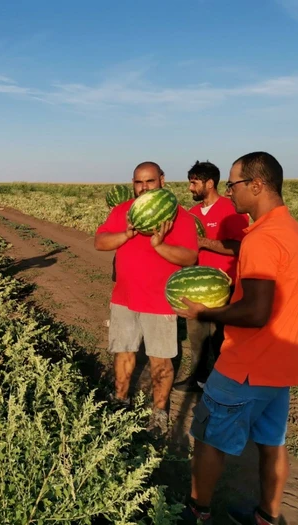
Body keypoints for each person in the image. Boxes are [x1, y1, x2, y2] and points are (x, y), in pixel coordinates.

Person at [176, 152, 298, 525]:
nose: (230, 192)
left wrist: (204, 312)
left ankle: (196, 512)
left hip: (247, 365)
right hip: (283, 363)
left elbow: (255, 312)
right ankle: (266, 517)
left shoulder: (263, 239)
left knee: (207, 439)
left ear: (256, 185)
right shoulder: (291, 229)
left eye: (234, 184)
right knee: (272, 445)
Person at [94, 162, 198, 432]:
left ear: (162, 180)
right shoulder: (123, 211)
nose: (143, 187)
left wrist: (160, 245)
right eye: (138, 182)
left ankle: (159, 412)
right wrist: (126, 234)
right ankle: (120, 398)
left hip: (159, 302)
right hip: (124, 298)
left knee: (160, 360)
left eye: (149, 181)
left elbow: (190, 257)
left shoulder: (179, 217)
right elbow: (100, 242)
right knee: (123, 351)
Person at [173, 161, 249, 393]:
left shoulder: (231, 210)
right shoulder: (193, 214)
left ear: (209, 183)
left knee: (221, 340)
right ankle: (198, 378)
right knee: (197, 339)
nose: (190, 188)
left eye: (194, 183)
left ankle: (225, 384)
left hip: (223, 287)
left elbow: (240, 247)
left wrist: (204, 242)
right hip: (196, 288)